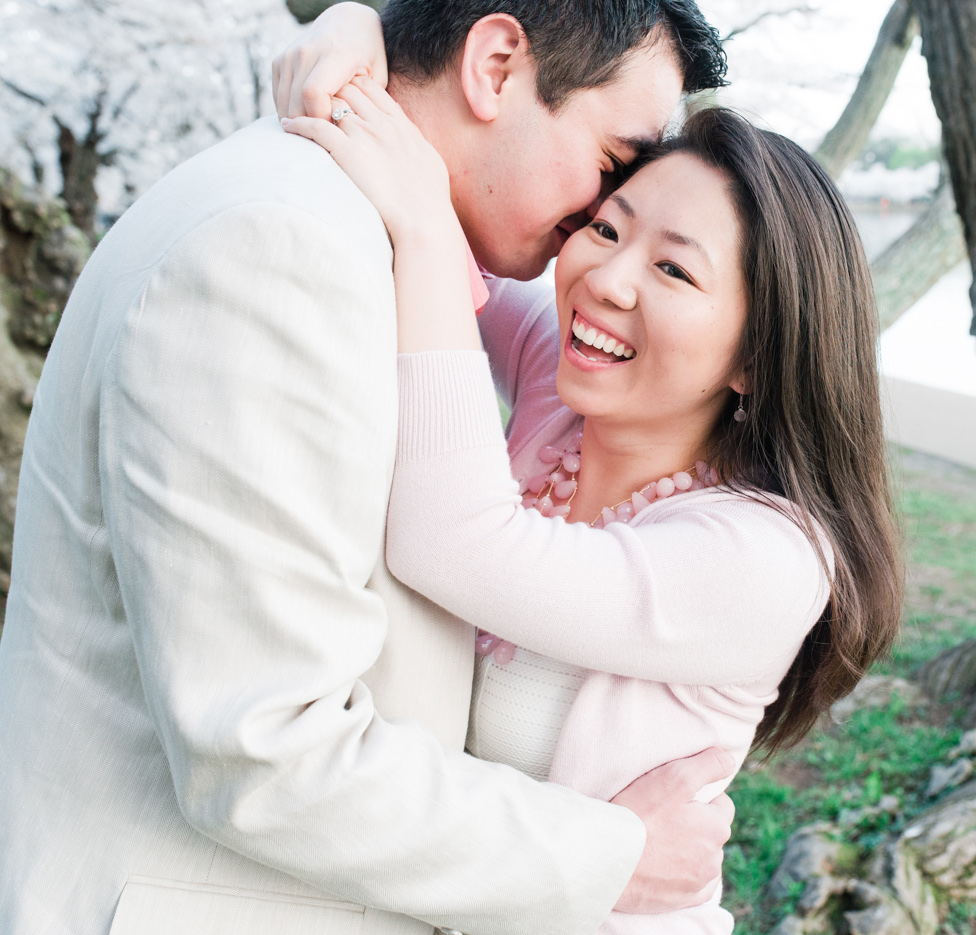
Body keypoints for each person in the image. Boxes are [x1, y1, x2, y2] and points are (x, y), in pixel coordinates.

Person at [0, 4, 736, 935]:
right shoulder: (280, 247)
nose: (602, 213)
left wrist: (360, 30)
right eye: (611, 163)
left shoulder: (353, 222)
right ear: (497, 63)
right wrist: (611, 856)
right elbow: (264, 745)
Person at [279, 59, 905, 935]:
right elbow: (462, 229)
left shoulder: (764, 556)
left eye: (676, 272)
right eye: (606, 229)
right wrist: (356, 37)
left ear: (756, 359)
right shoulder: (564, 388)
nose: (607, 281)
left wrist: (423, 229)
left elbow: (453, 540)